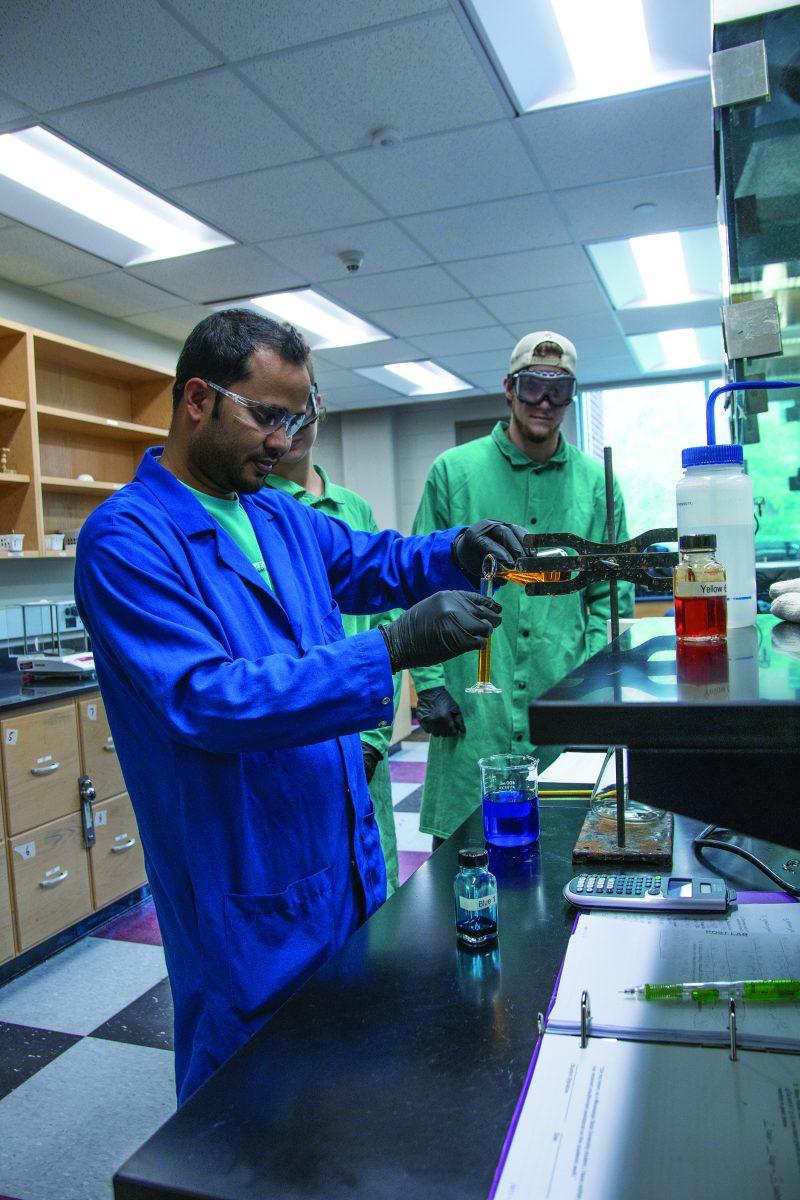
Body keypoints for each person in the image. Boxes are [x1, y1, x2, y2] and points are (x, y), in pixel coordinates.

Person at [74, 308, 526, 1104]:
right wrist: (389, 651)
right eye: (267, 415)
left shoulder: (276, 513)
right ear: (196, 400)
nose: (283, 442)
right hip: (244, 878)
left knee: (346, 1093)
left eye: (298, 417)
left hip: (340, 856)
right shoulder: (128, 540)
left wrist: (452, 549)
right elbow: (206, 699)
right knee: (249, 1109)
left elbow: (371, 560)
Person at [411, 331, 633, 843]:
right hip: (473, 712)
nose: (546, 403)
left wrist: (594, 687)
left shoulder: (598, 484)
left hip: (561, 711)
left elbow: (610, 597)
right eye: (534, 387)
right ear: (509, 389)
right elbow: (421, 584)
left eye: (560, 390)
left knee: (566, 861)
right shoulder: (453, 472)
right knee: (466, 873)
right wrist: (429, 684)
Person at [266, 375, 402, 894]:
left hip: (364, 719)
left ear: (319, 405)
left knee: (376, 879)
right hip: (307, 721)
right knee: (317, 878)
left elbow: (383, 617)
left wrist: (372, 737)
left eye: (299, 415)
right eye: (273, 417)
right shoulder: (257, 509)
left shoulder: (352, 508)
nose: (289, 432)